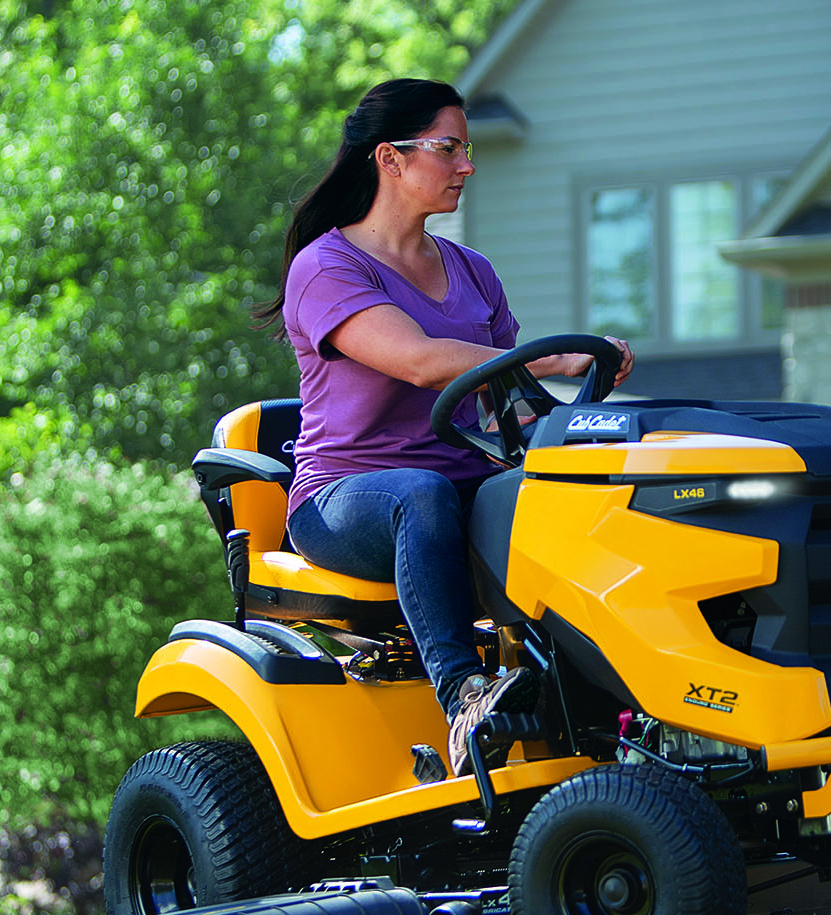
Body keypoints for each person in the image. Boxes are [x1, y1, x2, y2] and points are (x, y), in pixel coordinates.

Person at [254, 78, 633, 779]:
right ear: (390, 160)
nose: (468, 165)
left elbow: (508, 405)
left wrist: (586, 415)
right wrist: (558, 354)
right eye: (449, 148)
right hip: (348, 500)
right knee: (419, 493)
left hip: (463, 485)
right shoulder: (327, 267)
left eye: (467, 148)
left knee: (578, 493)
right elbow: (423, 362)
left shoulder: (472, 271)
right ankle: (464, 701)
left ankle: (617, 704)